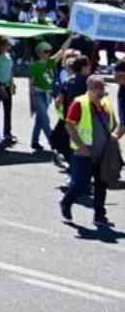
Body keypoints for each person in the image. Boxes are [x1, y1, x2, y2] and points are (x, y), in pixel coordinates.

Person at [59, 76, 123, 225]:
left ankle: (99, 216)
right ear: (90, 88)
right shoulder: (79, 103)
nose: (101, 91)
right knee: (81, 184)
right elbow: (69, 126)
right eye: (98, 88)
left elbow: (114, 125)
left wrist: (113, 140)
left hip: (102, 154)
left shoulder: (106, 104)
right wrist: (81, 146)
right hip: (83, 154)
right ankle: (66, 202)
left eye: (102, 88)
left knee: (101, 185)